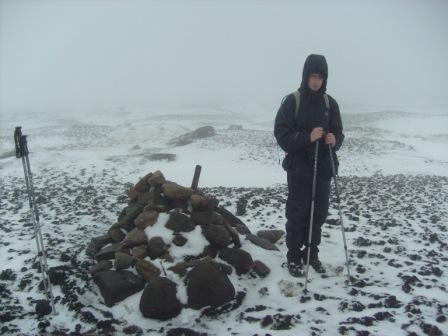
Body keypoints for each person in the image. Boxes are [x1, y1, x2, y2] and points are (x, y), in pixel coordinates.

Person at [274, 54, 344, 277]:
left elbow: (339, 132)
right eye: (312, 76)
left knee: (319, 214)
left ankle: (311, 254)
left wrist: (336, 140)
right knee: (298, 213)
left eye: (320, 77)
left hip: (323, 169)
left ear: (325, 79)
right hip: (299, 170)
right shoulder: (292, 101)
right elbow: (282, 135)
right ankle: (294, 256)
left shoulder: (329, 103)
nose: (316, 81)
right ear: (305, 76)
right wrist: (308, 137)